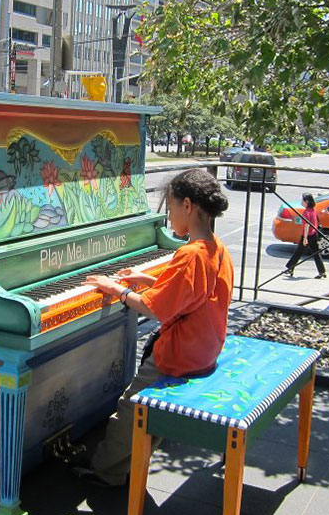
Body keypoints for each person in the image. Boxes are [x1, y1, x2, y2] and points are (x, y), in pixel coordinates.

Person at [73, 169, 235, 487]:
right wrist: (147, 280)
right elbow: (192, 294)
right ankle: (136, 455)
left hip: (179, 356)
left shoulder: (190, 255)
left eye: (170, 208)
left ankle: (107, 473)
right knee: (144, 409)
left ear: (187, 206)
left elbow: (153, 307)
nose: (168, 216)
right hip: (205, 350)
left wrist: (116, 289)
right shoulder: (217, 248)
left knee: (129, 410)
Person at [284, 193, 326, 278]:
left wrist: (305, 238)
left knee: (298, 252)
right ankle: (322, 272)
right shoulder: (313, 210)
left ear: (306, 201)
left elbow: (307, 225)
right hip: (314, 234)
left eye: (302, 200)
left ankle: (290, 268)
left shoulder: (306, 212)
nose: (301, 202)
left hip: (307, 235)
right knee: (316, 253)